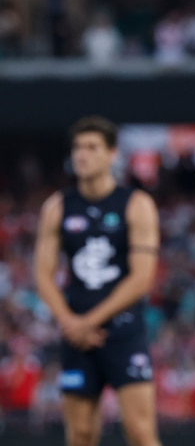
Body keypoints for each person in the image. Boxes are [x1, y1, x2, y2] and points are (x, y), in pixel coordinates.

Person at [33, 115, 161, 446]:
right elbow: (43, 274)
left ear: (112, 154)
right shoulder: (58, 207)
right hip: (76, 334)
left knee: (140, 432)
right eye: (78, 148)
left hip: (123, 331)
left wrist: (88, 322)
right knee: (80, 435)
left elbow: (142, 278)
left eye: (92, 147)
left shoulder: (136, 205)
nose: (82, 155)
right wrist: (69, 322)